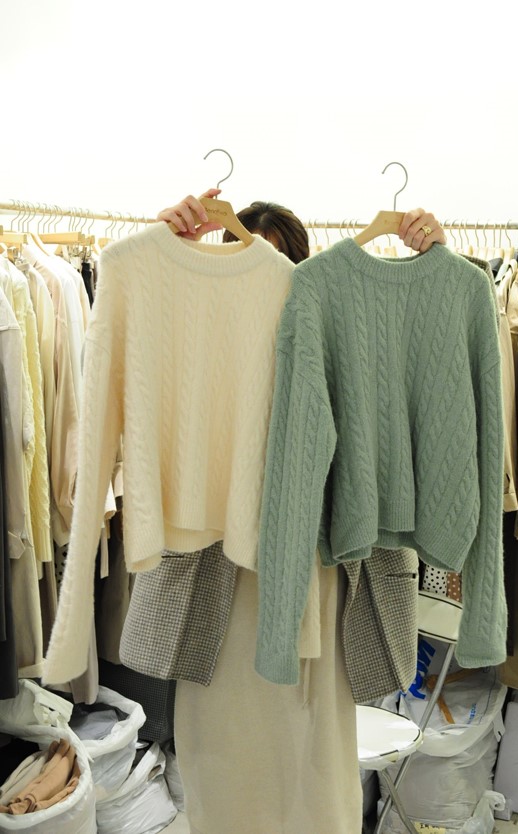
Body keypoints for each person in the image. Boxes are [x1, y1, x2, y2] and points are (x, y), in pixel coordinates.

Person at [152, 190, 447, 834]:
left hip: (321, 575)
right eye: (249, 259)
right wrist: (169, 251)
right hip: (223, 578)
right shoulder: (197, 331)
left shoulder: (346, 325)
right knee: (221, 748)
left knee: (314, 758)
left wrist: (432, 257)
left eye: (283, 263)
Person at [157, 187, 447, 260]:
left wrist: (438, 252)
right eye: (247, 256)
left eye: (275, 258)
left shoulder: (326, 309)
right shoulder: (203, 305)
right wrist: (162, 247)